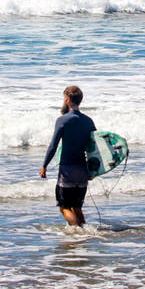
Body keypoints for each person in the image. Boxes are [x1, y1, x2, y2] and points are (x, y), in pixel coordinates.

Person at [39, 85, 96, 226]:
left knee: (64, 207)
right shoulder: (88, 121)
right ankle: (86, 233)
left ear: (68, 100)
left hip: (67, 171)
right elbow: (95, 148)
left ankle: (78, 232)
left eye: (64, 98)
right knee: (77, 207)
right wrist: (92, 170)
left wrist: (44, 166)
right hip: (82, 171)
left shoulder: (62, 120)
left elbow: (53, 146)